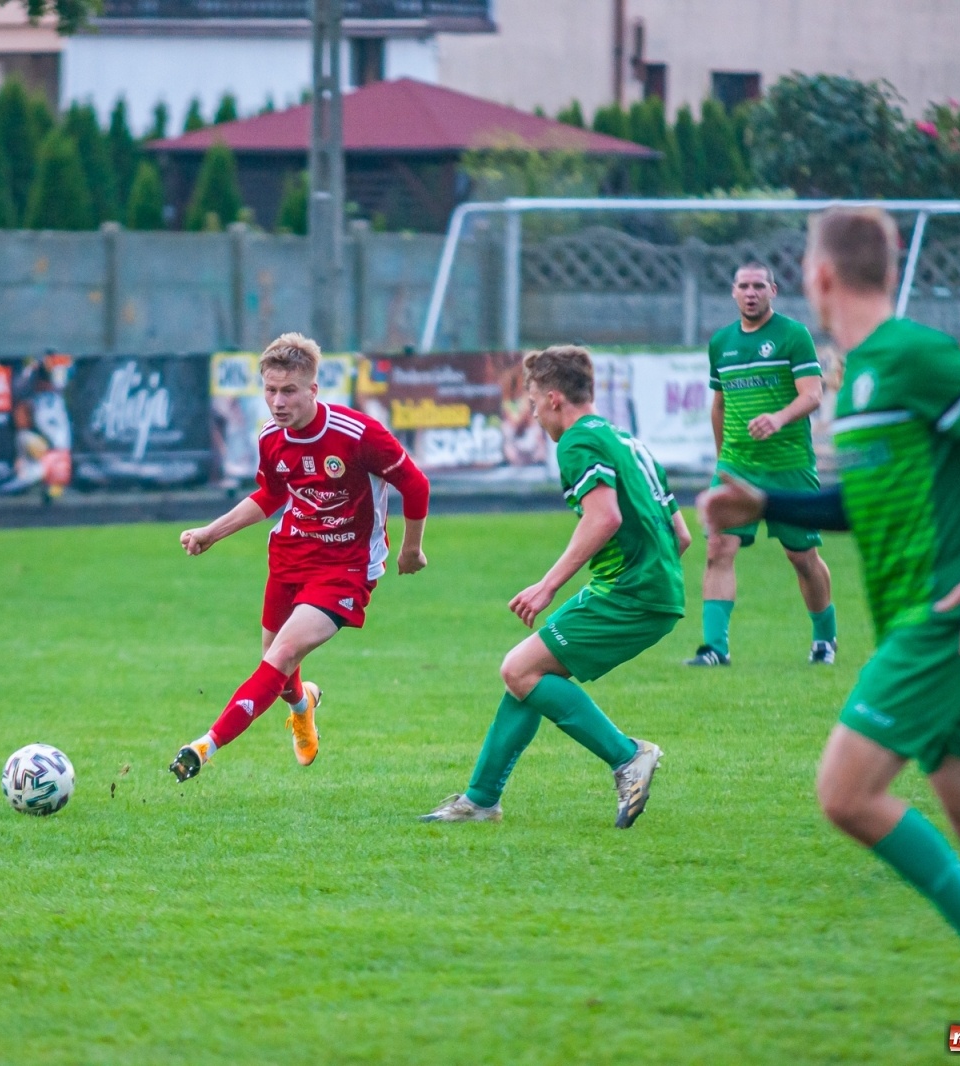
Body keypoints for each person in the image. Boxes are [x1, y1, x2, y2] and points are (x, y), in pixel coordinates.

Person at [700, 207, 960, 1062]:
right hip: (911, 623)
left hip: (938, 617)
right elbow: (862, 504)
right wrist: (767, 502)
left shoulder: (915, 354)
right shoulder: (861, 376)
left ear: (818, 277)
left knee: (844, 793)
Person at [420, 346, 689, 827]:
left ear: (554, 398)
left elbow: (604, 517)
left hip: (630, 592)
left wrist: (547, 586)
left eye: (533, 402)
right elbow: (682, 536)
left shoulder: (576, 442)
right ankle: (480, 800)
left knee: (518, 670)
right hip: (647, 587)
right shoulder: (627, 441)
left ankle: (627, 756)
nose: (533, 413)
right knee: (528, 674)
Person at [170, 332, 430, 782]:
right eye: (270, 390)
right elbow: (271, 494)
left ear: (313, 389)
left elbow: (415, 484)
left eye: (288, 390)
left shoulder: (358, 434)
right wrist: (212, 533)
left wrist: (411, 548)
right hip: (290, 555)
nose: (277, 402)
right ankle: (302, 705)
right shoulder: (271, 437)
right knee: (276, 662)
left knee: (283, 653)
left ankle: (204, 746)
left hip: (346, 567)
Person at [687, 263, 836, 667]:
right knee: (718, 548)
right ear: (733, 292)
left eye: (758, 286)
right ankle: (715, 649)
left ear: (773, 290)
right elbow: (719, 405)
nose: (751, 293)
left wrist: (778, 418)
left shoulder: (793, 335)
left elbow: (813, 394)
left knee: (801, 557)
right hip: (737, 464)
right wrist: (723, 460)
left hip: (789, 465)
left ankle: (825, 639)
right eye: (743, 286)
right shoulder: (721, 342)